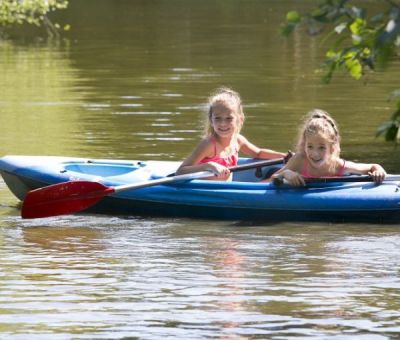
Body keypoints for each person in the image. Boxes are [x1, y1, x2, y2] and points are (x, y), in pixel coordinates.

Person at [175, 87, 287, 180]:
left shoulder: (238, 140)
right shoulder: (209, 144)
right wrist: (209, 166)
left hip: (224, 189)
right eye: (218, 118)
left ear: (240, 119)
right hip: (205, 192)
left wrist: (286, 156)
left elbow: (258, 153)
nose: (223, 124)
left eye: (229, 118)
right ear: (211, 120)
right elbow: (181, 171)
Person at [270, 109, 386, 186]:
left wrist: (379, 170)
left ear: (332, 147)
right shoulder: (300, 160)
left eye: (321, 148)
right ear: (304, 144)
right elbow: (271, 180)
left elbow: (372, 167)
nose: (315, 153)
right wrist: (286, 173)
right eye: (310, 146)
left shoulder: (338, 166)